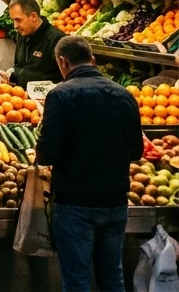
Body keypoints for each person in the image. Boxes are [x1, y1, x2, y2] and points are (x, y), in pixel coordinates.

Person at [36, 36, 142, 292]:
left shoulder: (60, 95)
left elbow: (46, 154)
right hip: (115, 201)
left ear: (62, 62)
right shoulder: (125, 95)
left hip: (75, 202)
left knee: (77, 281)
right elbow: (137, 151)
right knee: (112, 278)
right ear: (92, 60)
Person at [8, 0, 67, 86]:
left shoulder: (57, 40)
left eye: (18, 20)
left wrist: (17, 75)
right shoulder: (21, 35)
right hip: (22, 97)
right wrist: (11, 74)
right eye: (13, 21)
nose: (15, 26)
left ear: (33, 17)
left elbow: (65, 77)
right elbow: (19, 66)